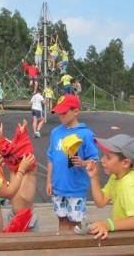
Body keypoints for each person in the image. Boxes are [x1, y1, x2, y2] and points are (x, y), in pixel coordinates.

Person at [46, 95, 99, 232]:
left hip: (76, 188)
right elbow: (51, 158)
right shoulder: (55, 132)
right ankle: (62, 246)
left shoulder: (86, 134)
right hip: (58, 186)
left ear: (76, 111)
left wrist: (82, 163)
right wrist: (49, 181)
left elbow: (94, 160)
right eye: (59, 113)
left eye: (64, 113)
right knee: (61, 219)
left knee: (75, 224)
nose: (61, 116)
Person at [86, 134, 134, 239]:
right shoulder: (116, 177)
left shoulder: (129, 184)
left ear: (125, 163)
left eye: (108, 157)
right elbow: (101, 202)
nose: (102, 160)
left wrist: (107, 225)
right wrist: (94, 177)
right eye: (103, 155)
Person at [0, 119, 39, 232]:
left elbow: (25, 196)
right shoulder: (15, 170)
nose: (13, 161)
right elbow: (9, 151)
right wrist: (0, 139)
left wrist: (22, 135)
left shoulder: (29, 172)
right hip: (13, 216)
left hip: (27, 220)